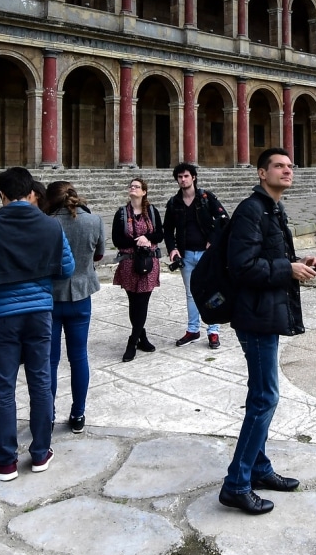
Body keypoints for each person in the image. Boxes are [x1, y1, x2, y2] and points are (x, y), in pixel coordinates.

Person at [219, 147, 316, 515]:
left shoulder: (273, 209)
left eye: (290, 166)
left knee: (261, 396)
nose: (287, 170)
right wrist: (287, 269)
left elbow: (270, 259)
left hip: (268, 313)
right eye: (279, 166)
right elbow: (241, 267)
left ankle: (259, 468)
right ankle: (237, 483)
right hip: (256, 317)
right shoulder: (251, 209)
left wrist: (297, 263)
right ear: (262, 173)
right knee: (265, 398)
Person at [0, 167, 74, 480]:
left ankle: (5, 461)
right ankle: (40, 453)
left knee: (3, 390)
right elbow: (67, 268)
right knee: (40, 384)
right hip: (40, 313)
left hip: (1, 315)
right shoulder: (50, 227)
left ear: (2, 195)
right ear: (30, 194)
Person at [45, 180, 105, 433]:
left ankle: (47, 414)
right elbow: (100, 253)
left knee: (50, 359)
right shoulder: (94, 220)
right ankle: (78, 414)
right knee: (79, 356)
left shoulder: (47, 223)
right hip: (81, 295)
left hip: (51, 297)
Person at [164, 162, 229, 349]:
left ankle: (213, 331)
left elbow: (224, 220)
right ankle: (193, 329)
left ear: (193, 177)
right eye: (179, 177)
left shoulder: (206, 198)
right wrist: (172, 249)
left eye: (186, 176)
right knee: (191, 293)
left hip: (207, 255)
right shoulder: (174, 203)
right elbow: (168, 230)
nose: (183, 179)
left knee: (213, 292)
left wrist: (213, 240)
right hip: (185, 256)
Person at [111, 178, 163, 362]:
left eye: (137, 187)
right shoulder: (122, 213)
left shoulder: (152, 212)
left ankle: (132, 342)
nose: (133, 188)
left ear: (144, 192)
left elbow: (160, 235)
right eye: (131, 186)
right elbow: (117, 239)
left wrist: (147, 238)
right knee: (134, 302)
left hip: (149, 263)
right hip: (128, 263)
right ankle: (142, 337)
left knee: (143, 302)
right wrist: (137, 241)